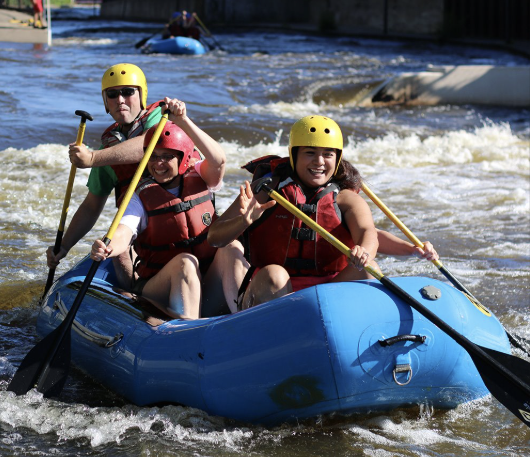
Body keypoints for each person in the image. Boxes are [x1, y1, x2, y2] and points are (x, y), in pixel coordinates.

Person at [208, 115, 439, 311]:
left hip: (329, 293)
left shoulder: (346, 198)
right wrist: (243, 221)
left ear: (337, 159)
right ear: (294, 154)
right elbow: (214, 237)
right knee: (275, 275)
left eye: (328, 154)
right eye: (310, 153)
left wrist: (366, 252)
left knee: (370, 271)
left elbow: (369, 233)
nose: (319, 162)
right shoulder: (265, 192)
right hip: (273, 291)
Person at [90, 117, 246, 319]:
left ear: (183, 158)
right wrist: (108, 246)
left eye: (166, 157)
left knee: (231, 247)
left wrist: (183, 120)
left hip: (205, 285)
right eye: (152, 156)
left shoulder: (202, 178)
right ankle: (187, 335)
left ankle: (246, 318)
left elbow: (218, 160)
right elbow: (124, 231)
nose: (158, 164)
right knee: (185, 262)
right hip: (159, 290)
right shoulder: (139, 197)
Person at [46, 63, 167, 288]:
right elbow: (92, 205)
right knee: (112, 247)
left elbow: (149, 144)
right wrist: (64, 246)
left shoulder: (162, 119)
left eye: (128, 92)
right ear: (106, 103)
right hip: (139, 223)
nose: (120, 99)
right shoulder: (109, 148)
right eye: (112, 94)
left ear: (142, 95)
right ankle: (132, 295)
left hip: (174, 209)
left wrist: (92, 158)